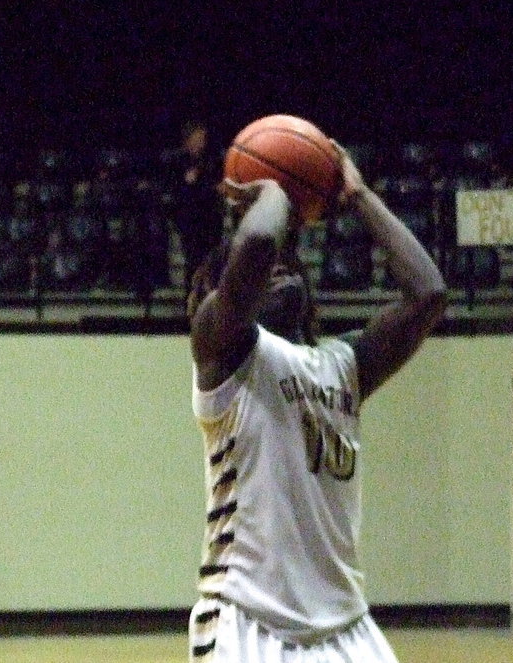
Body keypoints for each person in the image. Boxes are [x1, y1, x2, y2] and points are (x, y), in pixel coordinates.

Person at [184, 140, 446, 662]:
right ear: (222, 295)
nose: (279, 267)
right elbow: (258, 242)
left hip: (347, 625)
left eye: (291, 262)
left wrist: (359, 195)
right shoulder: (225, 356)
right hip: (247, 622)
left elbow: (428, 294)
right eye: (264, 268)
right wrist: (275, 187)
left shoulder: (342, 366)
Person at [168, 120, 226, 290]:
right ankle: (191, 300)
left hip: (210, 216)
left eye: (202, 139)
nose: (200, 143)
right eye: (197, 139)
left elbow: (218, 184)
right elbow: (177, 190)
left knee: (213, 261)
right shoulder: (179, 161)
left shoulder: (211, 159)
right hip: (190, 219)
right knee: (193, 262)